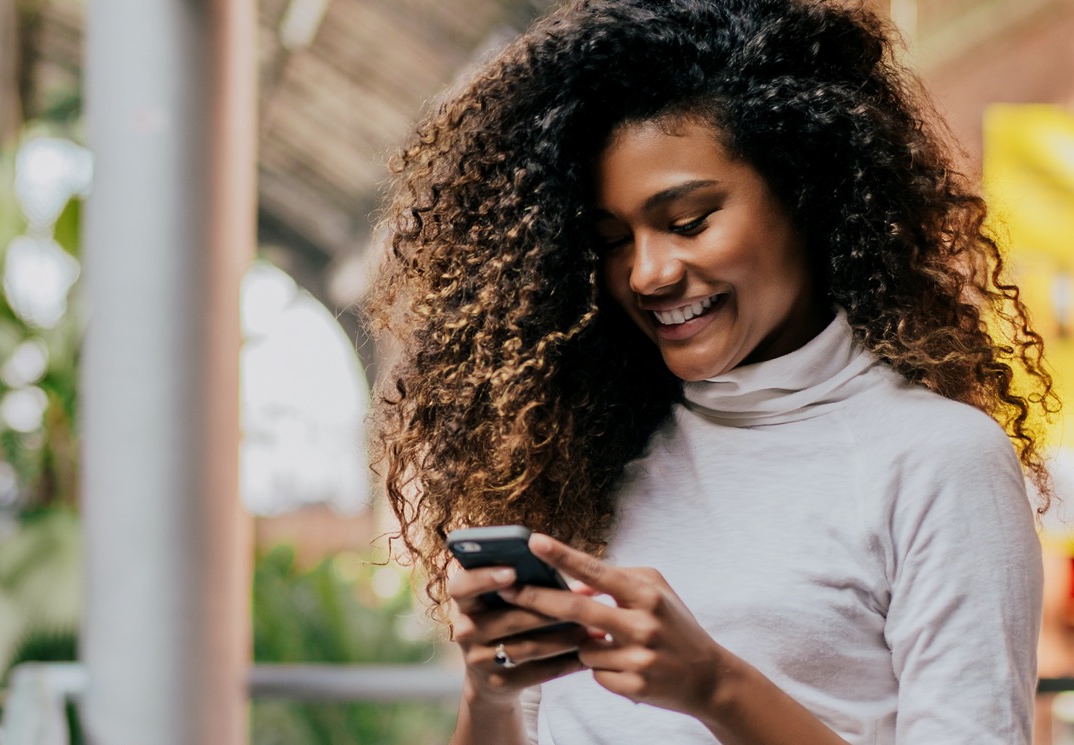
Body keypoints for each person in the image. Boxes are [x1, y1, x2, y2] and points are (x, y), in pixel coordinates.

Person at [363, 0, 1056, 743]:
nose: (649, 272)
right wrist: (492, 694)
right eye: (613, 239)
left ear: (805, 193)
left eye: (689, 220)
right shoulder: (583, 457)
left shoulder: (938, 460)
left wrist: (714, 685)